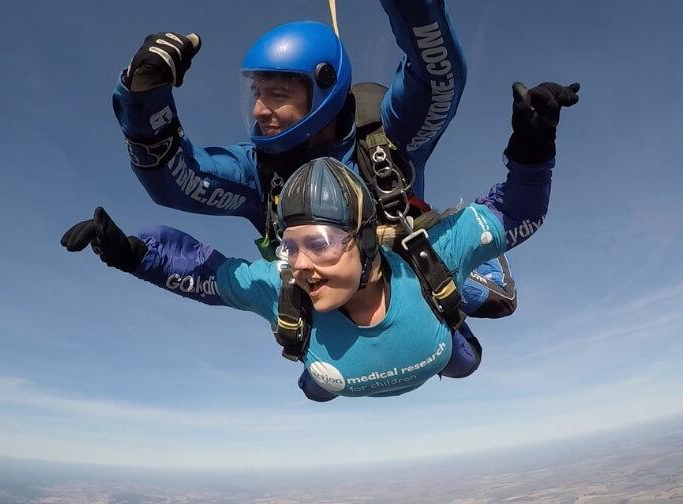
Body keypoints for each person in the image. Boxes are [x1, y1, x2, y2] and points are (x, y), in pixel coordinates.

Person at [64, 81, 580, 400]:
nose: (302, 265)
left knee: (464, 355)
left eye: (323, 242)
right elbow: (205, 274)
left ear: (366, 239)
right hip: (367, 357)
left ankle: (477, 288)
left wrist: (533, 145)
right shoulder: (282, 286)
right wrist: (132, 254)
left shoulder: (433, 254)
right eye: (290, 246)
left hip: (428, 304)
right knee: (317, 386)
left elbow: (516, 212)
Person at [112, 2, 518, 321]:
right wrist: (144, 97)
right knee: (316, 379)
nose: (257, 109)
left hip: (402, 271)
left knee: (467, 341)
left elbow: (436, 80)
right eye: (255, 92)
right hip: (326, 295)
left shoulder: (384, 138)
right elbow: (177, 181)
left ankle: (474, 268)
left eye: (276, 94)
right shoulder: (259, 171)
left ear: (322, 88)